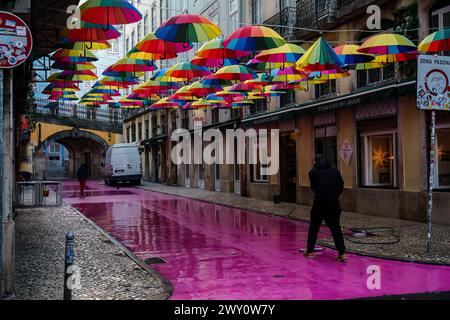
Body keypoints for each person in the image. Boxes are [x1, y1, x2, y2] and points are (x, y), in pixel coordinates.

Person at [304, 155, 347, 262]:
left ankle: (310, 250)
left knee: (314, 227)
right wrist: (335, 195)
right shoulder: (335, 171)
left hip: (319, 202)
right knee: (335, 227)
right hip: (333, 202)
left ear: (315, 162)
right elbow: (341, 185)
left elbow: (313, 187)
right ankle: (341, 252)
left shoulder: (312, 172)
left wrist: (320, 194)